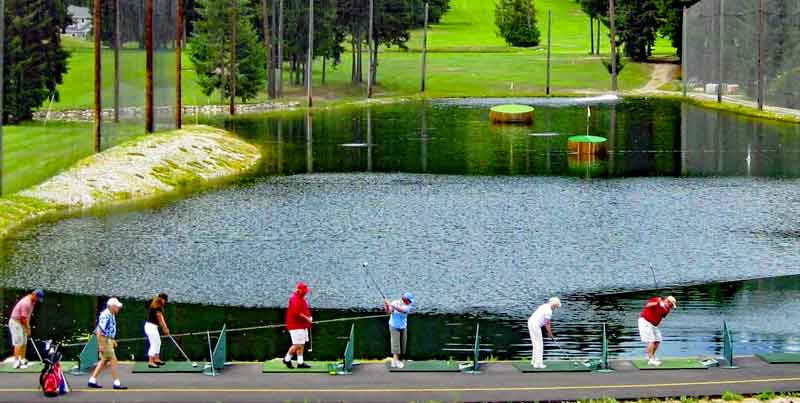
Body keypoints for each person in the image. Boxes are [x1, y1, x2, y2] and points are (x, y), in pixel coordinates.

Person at [88, 298, 127, 390]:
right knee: (113, 360)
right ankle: (116, 383)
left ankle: (92, 380)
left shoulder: (111, 314)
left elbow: (109, 329)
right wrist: (100, 345)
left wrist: (112, 340)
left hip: (107, 340)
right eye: (117, 307)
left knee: (104, 360)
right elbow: (99, 330)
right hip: (104, 340)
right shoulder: (106, 315)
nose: (118, 308)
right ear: (112, 306)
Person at [7, 289, 44, 369]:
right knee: (19, 342)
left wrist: (28, 326)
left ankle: (22, 359)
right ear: (33, 294)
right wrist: (28, 328)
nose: (38, 300)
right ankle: (16, 362)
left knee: (24, 341)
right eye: (38, 298)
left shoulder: (33, 302)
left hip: (22, 322)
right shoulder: (26, 303)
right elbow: (23, 318)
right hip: (15, 322)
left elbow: (28, 315)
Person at [639, 295, 677, 366]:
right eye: (671, 305)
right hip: (645, 321)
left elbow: (662, 315)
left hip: (653, 325)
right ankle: (650, 360)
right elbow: (647, 305)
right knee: (651, 340)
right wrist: (657, 303)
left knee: (658, 340)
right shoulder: (656, 299)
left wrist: (662, 306)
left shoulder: (667, 309)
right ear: (668, 301)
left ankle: (651, 356)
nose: (671, 307)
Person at [283, 282, 312, 369]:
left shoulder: (301, 298)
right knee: (297, 344)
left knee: (302, 344)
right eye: (304, 291)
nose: (305, 292)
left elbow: (304, 310)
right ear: (298, 290)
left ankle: (300, 363)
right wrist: (307, 318)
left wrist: (309, 316)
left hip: (302, 325)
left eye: (306, 291)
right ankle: (287, 359)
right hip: (295, 326)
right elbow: (297, 313)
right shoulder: (294, 299)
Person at [527, 297, 561, 369]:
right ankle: (539, 364)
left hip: (530, 322)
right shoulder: (549, 311)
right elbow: (547, 324)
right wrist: (550, 333)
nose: (555, 309)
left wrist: (548, 332)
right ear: (554, 305)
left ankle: (534, 362)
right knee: (539, 345)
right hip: (535, 325)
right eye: (556, 307)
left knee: (535, 344)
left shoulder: (544, 306)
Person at [384, 291, 415, 369]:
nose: (410, 302)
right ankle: (395, 362)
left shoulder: (408, 306)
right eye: (409, 300)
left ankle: (398, 360)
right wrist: (387, 305)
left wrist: (391, 304)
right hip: (394, 326)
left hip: (403, 326)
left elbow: (402, 310)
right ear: (405, 299)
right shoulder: (395, 302)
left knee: (403, 344)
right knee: (396, 344)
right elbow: (389, 312)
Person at [144, 293, 170, 368]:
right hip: (151, 327)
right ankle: (151, 362)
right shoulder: (158, 306)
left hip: (151, 326)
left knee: (158, 342)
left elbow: (160, 317)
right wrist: (165, 328)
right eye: (165, 300)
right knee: (154, 344)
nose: (165, 302)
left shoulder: (153, 302)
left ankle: (156, 359)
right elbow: (160, 318)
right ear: (162, 299)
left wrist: (164, 327)